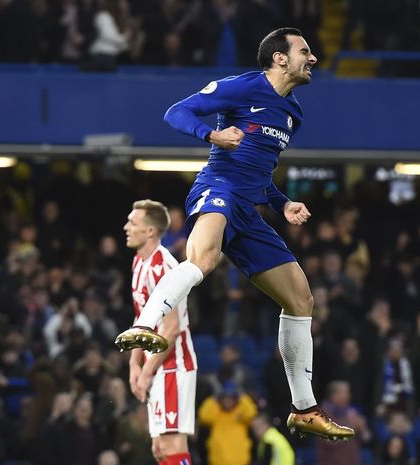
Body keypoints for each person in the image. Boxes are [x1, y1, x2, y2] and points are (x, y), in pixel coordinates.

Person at [113, 27, 353, 442]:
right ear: (279, 58)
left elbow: (261, 172)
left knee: (301, 298)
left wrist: (282, 203)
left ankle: (304, 408)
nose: (312, 59)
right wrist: (212, 134)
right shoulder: (241, 87)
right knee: (203, 259)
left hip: (250, 209)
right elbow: (177, 112)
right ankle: (146, 324)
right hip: (218, 189)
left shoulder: (293, 114)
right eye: (304, 51)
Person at [120, 200, 197, 465]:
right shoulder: (139, 263)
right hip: (158, 367)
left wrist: (147, 370)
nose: (127, 226)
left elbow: (170, 326)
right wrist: (134, 366)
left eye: (133, 222)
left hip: (174, 365)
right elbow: (144, 324)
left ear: (150, 230)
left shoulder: (163, 265)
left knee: (173, 445)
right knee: (159, 448)